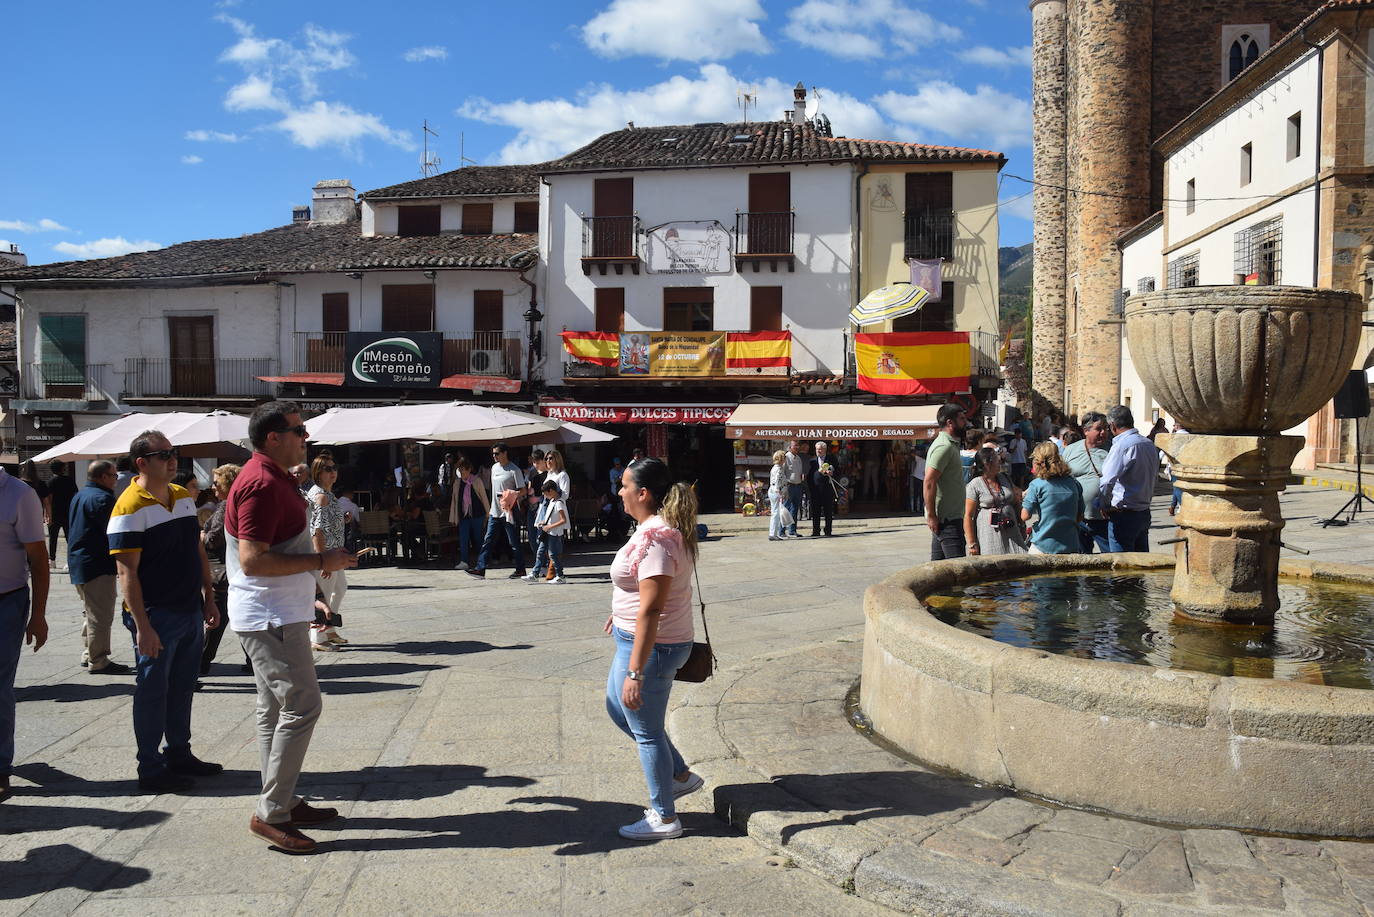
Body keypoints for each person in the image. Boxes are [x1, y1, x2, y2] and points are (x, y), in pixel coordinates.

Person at [226, 401, 357, 854]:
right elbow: (253, 560)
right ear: (273, 438)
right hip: (270, 616)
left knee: (273, 711)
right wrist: (321, 560)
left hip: (278, 612)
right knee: (303, 705)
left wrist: (311, 589)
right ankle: (272, 813)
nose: (307, 437)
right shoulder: (261, 483)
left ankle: (281, 800)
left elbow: (278, 547)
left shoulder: (276, 478)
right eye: (299, 430)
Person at [108, 431, 222, 793]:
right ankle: (150, 767)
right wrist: (143, 626)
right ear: (142, 463)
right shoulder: (128, 506)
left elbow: (197, 549)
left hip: (188, 608)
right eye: (163, 455)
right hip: (155, 614)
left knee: (183, 687)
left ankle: (179, 753)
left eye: (174, 453)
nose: (173, 460)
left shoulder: (182, 497)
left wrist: (209, 597)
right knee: (153, 691)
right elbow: (126, 573)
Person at [603, 457, 704, 840]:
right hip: (637, 640)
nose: (620, 492)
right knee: (618, 709)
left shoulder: (657, 540)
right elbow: (641, 592)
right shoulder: (653, 531)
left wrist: (635, 672)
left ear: (643, 493)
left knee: (646, 731)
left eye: (625, 486)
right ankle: (678, 775)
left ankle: (664, 817)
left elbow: (652, 607)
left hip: (653, 649)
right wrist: (620, 612)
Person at [0, 461, 49, 804]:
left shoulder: (19, 494)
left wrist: (39, 615)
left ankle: (0, 766)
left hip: (6, 601)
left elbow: (39, 558)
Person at [67, 461, 127, 674]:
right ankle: (98, 660)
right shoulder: (103, 499)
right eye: (114, 475)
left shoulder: (81, 495)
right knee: (100, 615)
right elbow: (114, 533)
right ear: (103, 477)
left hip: (79, 561)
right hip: (97, 564)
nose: (116, 479)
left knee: (91, 611)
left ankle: (89, 653)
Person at [200, 463, 247, 677]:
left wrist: (201, 535)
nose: (213, 486)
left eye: (217, 482)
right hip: (232, 568)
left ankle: (201, 662)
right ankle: (253, 659)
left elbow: (213, 539)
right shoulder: (238, 502)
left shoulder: (226, 505)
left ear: (228, 483)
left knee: (218, 617)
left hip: (222, 570)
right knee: (235, 616)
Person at [1099, 405, 1161, 553]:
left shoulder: (1122, 446)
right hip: (1143, 511)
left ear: (1112, 426)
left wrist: (1104, 504)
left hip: (1124, 514)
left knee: (1122, 562)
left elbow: (1107, 481)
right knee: (1140, 560)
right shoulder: (1148, 444)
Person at [467, 443, 527, 580]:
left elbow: (523, 490)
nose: (494, 456)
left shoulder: (514, 470)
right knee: (488, 540)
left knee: (514, 542)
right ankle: (480, 569)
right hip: (495, 511)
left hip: (509, 511)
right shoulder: (494, 468)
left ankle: (520, 570)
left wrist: (511, 494)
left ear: (505, 453)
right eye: (493, 453)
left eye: (497, 453)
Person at [307, 456, 348, 650]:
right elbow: (317, 530)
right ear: (318, 472)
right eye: (327, 469)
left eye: (334, 467)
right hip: (327, 554)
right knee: (324, 593)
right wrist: (323, 560)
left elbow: (326, 523)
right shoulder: (321, 496)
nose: (333, 472)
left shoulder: (328, 494)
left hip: (334, 553)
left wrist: (343, 519)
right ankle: (317, 636)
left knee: (340, 588)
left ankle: (329, 627)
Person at [924, 403, 970, 560]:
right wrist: (931, 516)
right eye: (962, 419)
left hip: (949, 519)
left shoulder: (950, 445)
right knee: (959, 570)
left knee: (939, 569)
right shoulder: (944, 447)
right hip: (947, 521)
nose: (965, 422)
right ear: (950, 422)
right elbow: (929, 482)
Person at [1021, 442, 1085, 555]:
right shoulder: (1074, 483)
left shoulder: (1036, 485)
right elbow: (1080, 516)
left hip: (1043, 545)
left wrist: (1023, 499)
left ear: (1037, 462)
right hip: (1071, 545)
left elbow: (1025, 516)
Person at [1062, 411, 1111, 553]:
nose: (1103, 432)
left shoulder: (1112, 449)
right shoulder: (1071, 450)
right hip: (1078, 518)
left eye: (1106, 428)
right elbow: (1062, 478)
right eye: (1099, 429)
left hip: (1105, 518)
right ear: (1086, 431)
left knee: (1111, 557)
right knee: (1081, 559)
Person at [964, 447, 1026, 557]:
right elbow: (968, 516)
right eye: (997, 459)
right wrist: (972, 543)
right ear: (987, 464)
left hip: (1012, 531)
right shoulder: (975, 484)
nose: (1000, 462)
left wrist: (1022, 525)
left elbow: (1016, 503)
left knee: (1018, 558)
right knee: (993, 562)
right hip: (989, 535)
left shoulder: (1005, 478)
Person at [450, 455, 489, 571]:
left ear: (469, 469)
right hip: (463, 515)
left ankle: (482, 561)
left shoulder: (476, 481)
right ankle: (464, 561)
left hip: (477, 514)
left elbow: (483, 497)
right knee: (463, 538)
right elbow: (455, 501)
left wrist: (488, 513)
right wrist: (453, 517)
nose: (462, 472)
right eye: (460, 470)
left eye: (463, 469)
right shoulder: (457, 483)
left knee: (478, 538)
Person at [527, 480, 569, 585]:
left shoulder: (559, 503)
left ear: (551, 491)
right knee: (540, 552)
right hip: (548, 531)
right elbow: (551, 516)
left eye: (546, 493)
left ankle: (560, 576)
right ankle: (535, 574)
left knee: (553, 555)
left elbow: (563, 520)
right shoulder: (552, 501)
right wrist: (544, 522)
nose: (545, 496)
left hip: (554, 533)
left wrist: (549, 526)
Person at [46, 461, 78, 571]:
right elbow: (75, 495)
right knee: (70, 538)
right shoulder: (70, 481)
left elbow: (48, 500)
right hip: (68, 513)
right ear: (63, 468)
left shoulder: (50, 482)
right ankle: (70, 561)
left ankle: (52, 561)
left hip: (54, 513)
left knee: (53, 538)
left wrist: (47, 514)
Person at [807, 441, 837, 537]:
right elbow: (809, 476)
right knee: (815, 511)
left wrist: (832, 473)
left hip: (827, 489)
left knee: (828, 511)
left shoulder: (831, 459)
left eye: (820, 449)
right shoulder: (812, 461)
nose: (818, 451)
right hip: (815, 490)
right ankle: (816, 531)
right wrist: (810, 488)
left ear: (825, 449)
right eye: (817, 449)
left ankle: (828, 530)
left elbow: (838, 470)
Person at [782, 441, 805, 538]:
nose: (797, 447)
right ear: (790, 447)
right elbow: (782, 472)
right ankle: (781, 531)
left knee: (795, 509)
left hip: (798, 485)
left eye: (798, 445)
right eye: (795, 445)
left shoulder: (798, 458)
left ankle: (792, 530)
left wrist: (802, 476)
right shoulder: (786, 457)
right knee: (785, 508)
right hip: (789, 485)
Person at [767, 450, 787, 541]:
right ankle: (773, 534)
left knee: (774, 512)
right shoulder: (779, 469)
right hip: (776, 491)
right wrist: (780, 492)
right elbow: (777, 481)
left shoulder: (775, 467)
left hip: (772, 490)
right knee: (776, 513)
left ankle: (773, 533)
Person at [909, 445, 926, 516]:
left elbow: (912, 454)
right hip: (922, 478)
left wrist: (912, 448)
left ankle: (915, 508)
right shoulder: (927, 461)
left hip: (916, 477)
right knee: (921, 494)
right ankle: (921, 508)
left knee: (916, 493)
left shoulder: (919, 459)